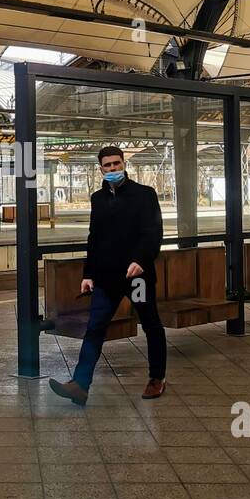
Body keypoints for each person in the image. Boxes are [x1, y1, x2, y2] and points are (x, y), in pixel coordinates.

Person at [50, 146, 166, 406]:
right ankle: (80, 385)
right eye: (107, 165)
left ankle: (157, 377)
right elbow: (95, 238)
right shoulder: (97, 198)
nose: (113, 169)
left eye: (116, 164)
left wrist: (141, 260)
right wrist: (88, 274)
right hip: (106, 278)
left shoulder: (144, 195)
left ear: (124, 164)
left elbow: (153, 233)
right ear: (100, 168)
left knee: (151, 324)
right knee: (95, 328)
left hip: (137, 277)